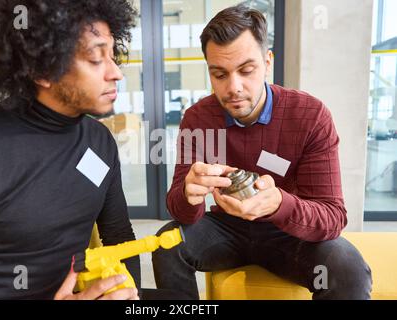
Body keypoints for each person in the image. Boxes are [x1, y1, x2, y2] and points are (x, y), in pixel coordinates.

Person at [152, 4, 372, 300]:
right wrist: (188, 196)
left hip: (289, 233)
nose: (234, 87)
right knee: (167, 244)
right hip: (226, 230)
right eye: (219, 74)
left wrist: (279, 203)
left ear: (267, 62)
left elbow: (332, 217)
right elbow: (181, 211)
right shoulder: (199, 118)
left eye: (246, 70)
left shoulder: (309, 116)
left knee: (347, 269)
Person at [0, 0, 140, 300]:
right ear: (43, 70)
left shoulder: (99, 143)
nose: (116, 73)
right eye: (95, 59)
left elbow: (119, 238)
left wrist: (131, 297)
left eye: (112, 55)